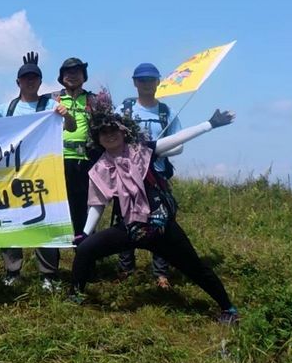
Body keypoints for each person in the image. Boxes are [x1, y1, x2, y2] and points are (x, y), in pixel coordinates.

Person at [70, 106, 239, 324]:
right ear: (97, 138)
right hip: (130, 228)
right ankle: (74, 297)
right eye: (103, 132)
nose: (109, 135)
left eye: (114, 129)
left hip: (160, 226)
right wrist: (85, 233)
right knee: (85, 249)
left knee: (194, 267)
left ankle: (228, 308)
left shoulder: (143, 151)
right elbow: (97, 204)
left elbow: (177, 138)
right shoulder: (100, 168)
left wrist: (210, 124)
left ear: (123, 132)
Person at [0, 52, 76, 290]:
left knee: (46, 221)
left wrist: (66, 114)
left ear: (40, 82)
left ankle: (48, 275)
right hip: (12, 176)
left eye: (34, 78)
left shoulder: (50, 106)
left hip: (43, 174)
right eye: (25, 78)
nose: (30, 81)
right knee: (10, 221)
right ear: (18, 82)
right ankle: (12, 271)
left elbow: (70, 127)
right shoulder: (8, 108)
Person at [116, 62, 183, 288]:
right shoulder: (124, 110)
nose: (146, 84)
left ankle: (161, 273)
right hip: (128, 176)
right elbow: (110, 138)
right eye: (142, 80)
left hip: (158, 176)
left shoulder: (167, 113)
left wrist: (156, 150)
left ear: (158, 82)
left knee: (160, 222)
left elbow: (179, 145)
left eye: (151, 80)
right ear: (135, 83)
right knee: (126, 220)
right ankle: (126, 268)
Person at [53, 57, 97, 237]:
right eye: (68, 72)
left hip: (85, 161)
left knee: (82, 210)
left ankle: (85, 248)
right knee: (56, 209)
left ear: (84, 76)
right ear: (61, 77)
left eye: (77, 72)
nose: (72, 75)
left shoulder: (93, 100)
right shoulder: (52, 99)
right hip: (57, 159)